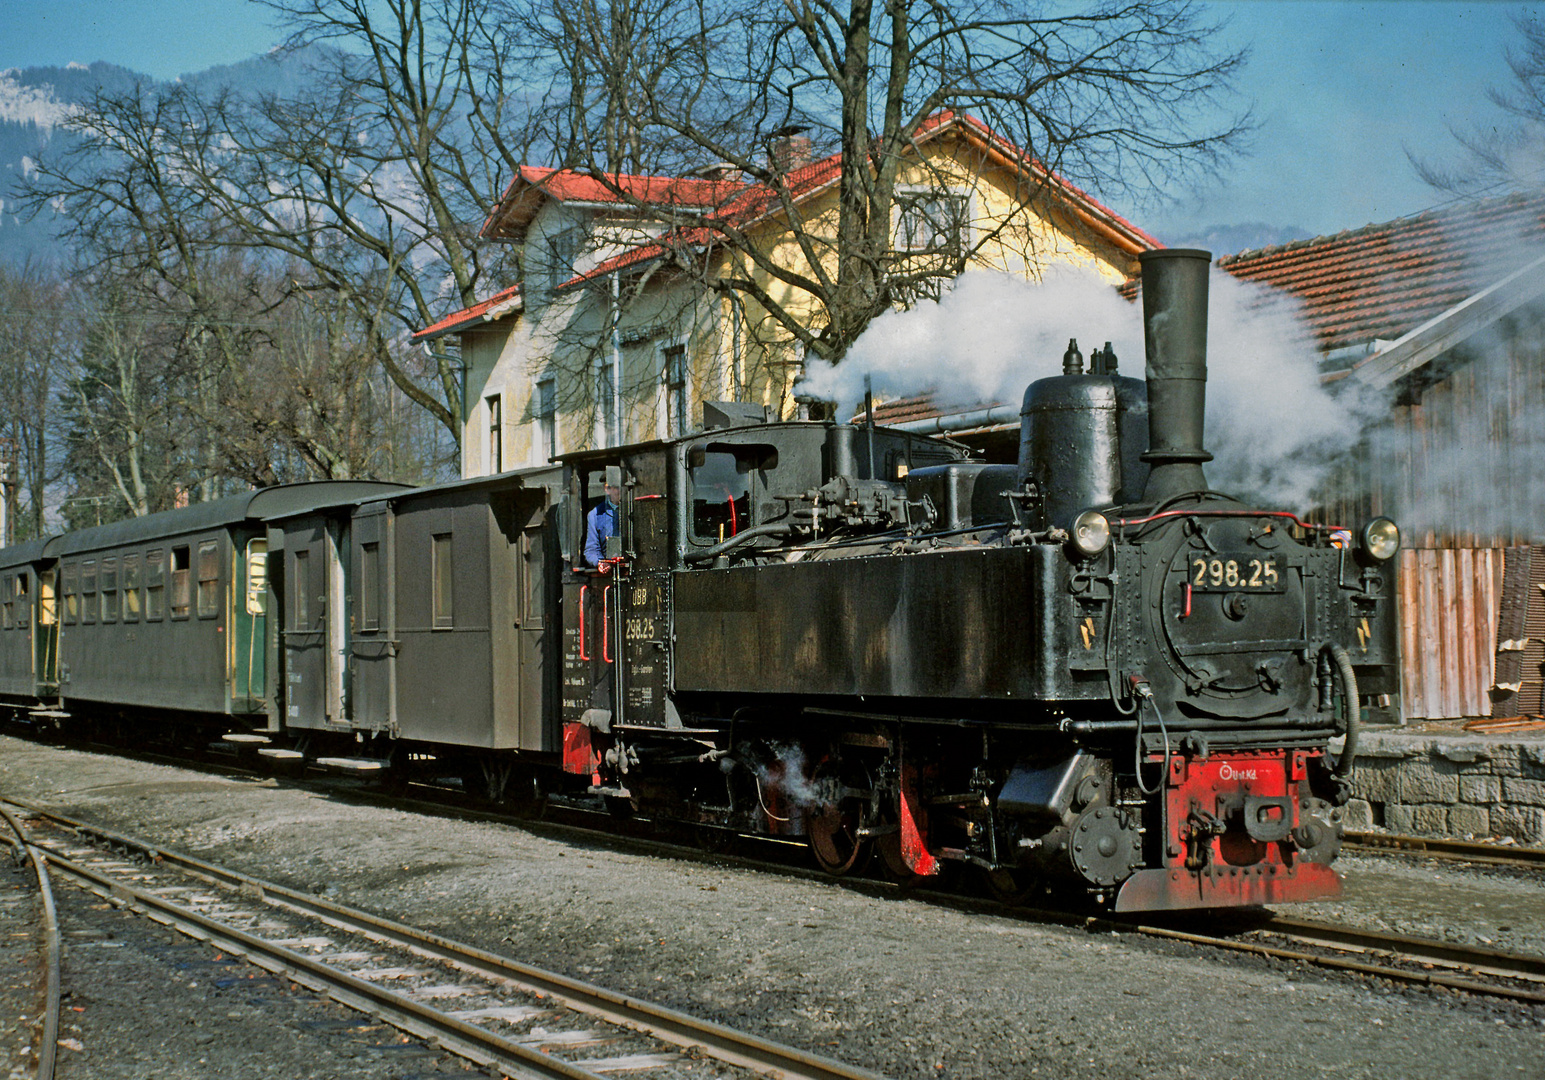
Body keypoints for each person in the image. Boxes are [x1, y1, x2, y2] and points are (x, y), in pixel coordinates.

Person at [584, 481, 622, 568]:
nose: (621, 491)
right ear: (607, 489)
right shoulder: (595, 515)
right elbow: (591, 550)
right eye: (617, 488)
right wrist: (601, 562)